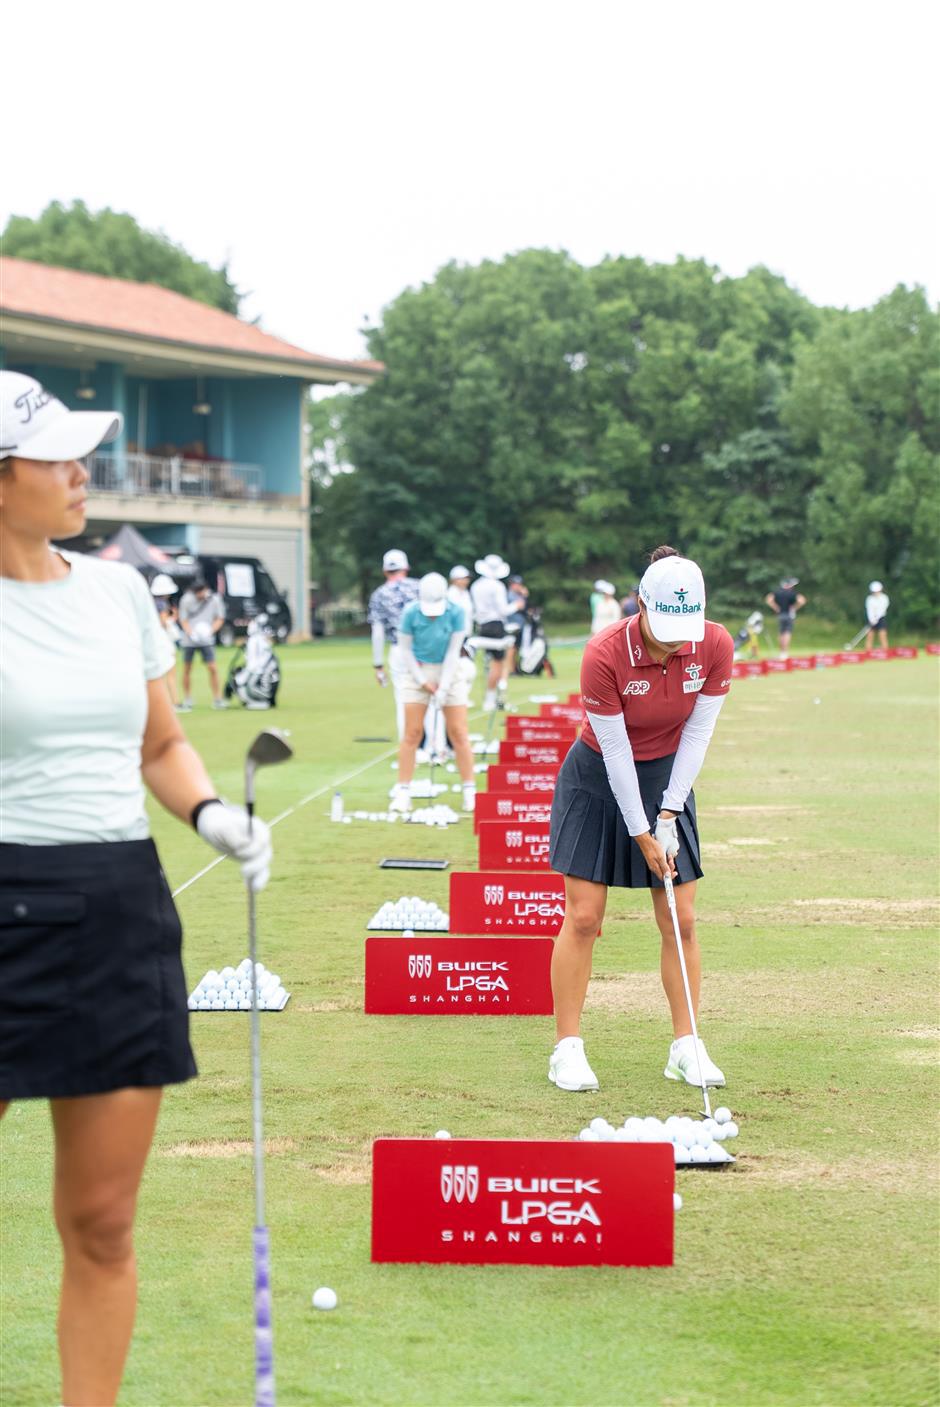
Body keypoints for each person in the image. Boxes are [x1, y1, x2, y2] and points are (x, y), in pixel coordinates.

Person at [0, 369, 274, 1407]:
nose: (82, 472)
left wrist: (211, 813)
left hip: (117, 906)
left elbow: (161, 743)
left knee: (103, 1222)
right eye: (55, 457)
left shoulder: (118, 592)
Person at [547, 545, 733, 1093]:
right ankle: (567, 1048)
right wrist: (641, 831)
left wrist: (670, 812)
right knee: (585, 916)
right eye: (666, 625)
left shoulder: (715, 643)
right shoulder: (603, 653)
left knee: (682, 916)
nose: (678, 639)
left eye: (687, 626)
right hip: (598, 779)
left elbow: (698, 734)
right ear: (640, 604)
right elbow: (616, 750)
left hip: (668, 780)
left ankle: (686, 1046)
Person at [390, 573, 477, 814]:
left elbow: (453, 652)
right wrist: (423, 682)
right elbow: (405, 650)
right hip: (416, 670)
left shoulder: (456, 612)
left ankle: (470, 791)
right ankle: (403, 792)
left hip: (450, 671)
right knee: (412, 733)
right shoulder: (410, 613)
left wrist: (444, 686)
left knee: (459, 732)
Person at [367, 548, 420, 739]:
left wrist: (378, 664)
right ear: (405, 567)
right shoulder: (418, 587)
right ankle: (434, 747)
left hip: (399, 650)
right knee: (429, 697)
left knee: (403, 698)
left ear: (384, 571)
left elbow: (378, 633)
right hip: (424, 648)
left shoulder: (379, 594)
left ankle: (408, 747)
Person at [470, 553, 513, 711]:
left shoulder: (476, 585)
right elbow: (503, 610)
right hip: (495, 625)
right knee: (497, 664)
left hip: (482, 625)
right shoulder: (497, 586)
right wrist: (517, 606)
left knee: (489, 663)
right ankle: (491, 699)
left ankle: (491, 698)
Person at [177, 578, 226, 710]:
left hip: (207, 639)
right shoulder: (186, 600)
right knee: (187, 669)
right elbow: (183, 619)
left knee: (212, 668)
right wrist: (191, 633)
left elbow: (220, 618)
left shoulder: (214, 599)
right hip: (189, 640)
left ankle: (218, 698)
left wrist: (210, 631)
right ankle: (187, 698)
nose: (200, 595)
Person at [150, 573, 181, 706]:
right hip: (163, 640)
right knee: (170, 672)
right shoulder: (162, 604)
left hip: (153, 639)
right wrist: (173, 618)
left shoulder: (149, 602)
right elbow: (163, 622)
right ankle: (174, 702)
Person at [765, 575, 806, 659]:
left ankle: (781, 653)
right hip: (789, 615)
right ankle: (785, 653)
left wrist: (776, 608)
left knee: (781, 633)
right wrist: (795, 608)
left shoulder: (778, 592)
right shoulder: (792, 593)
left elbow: (769, 599)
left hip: (780, 615)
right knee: (787, 633)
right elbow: (801, 600)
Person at [865, 580, 890, 650]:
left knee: (882, 635)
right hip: (871, 619)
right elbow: (869, 610)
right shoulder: (869, 599)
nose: (876, 593)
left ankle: (885, 651)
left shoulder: (884, 598)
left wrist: (877, 618)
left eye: (877, 591)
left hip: (881, 618)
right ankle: (868, 652)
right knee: (870, 635)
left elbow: (882, 609)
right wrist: (871, 619)